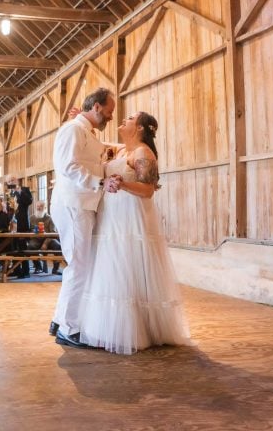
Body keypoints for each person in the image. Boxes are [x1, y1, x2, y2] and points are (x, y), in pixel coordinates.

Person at [79, 112, 191, 354]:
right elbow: (95, 142)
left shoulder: (142, 152)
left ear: (140, 128)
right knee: (113, 268)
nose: (123, 119)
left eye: (129, 118)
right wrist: (82, 120)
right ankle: (108, 328)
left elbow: (148, 189)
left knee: (129, 266)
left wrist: (122, 184)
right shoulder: (122, 151)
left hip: (131, 218)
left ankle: (136, 329)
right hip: (112, 218)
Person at [50, 87, 119, 348]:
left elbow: (101, 151)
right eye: (109, 112)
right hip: (74, 204)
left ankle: (59, 319)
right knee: (79, 266)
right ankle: (69, 328)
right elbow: (67, 166)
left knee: (79, 265)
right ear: (97, 107)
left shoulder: (86, 132)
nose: (111, 117)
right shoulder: (72, 130)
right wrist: (100, 181)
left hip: (82, 204)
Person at [28, 200, 61, 274]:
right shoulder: (31, 218)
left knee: (58, 246)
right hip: (36, 239)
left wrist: (46, 243)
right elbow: (28, 230)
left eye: (41, 206)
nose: (39, 208)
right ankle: (38, 267)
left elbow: (53, 233)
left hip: (48, 239)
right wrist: (33, 233)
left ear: (45, 208)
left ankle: (55, 269)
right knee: (30, 247)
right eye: (37, 206)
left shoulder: (49, 218)